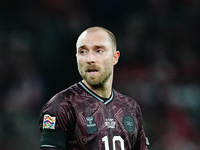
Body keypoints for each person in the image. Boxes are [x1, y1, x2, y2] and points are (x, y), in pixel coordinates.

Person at [39, 26, 149, 150]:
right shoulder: (61, 106)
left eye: (99, 51)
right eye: (83, 52)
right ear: (76, 58)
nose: (90, 59)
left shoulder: (131, 108)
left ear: (115, 57)